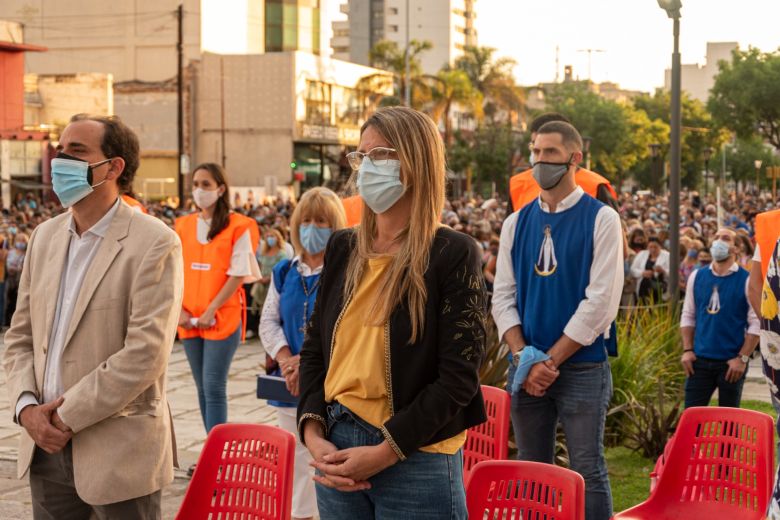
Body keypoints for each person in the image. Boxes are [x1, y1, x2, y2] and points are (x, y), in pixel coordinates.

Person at [298, 106, 487, 519]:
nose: (366, 168)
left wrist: (386, 451)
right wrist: (314, 434)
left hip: (416, 455)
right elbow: (316, 349)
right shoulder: (343, 247)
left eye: (380, 155)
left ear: (416, 163)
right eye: (361, 156)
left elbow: (457, 379)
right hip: (336, 444)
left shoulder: (452, 253)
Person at [2, 114, 183, 517]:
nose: (60, 160)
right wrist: (27, 408)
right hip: (43, 447)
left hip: (118, 452)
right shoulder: (44, 237)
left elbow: (145, 354)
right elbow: (20, 336)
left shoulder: (154, 243)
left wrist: (63, 416)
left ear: (113, 167)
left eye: (77, 151)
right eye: (60, 150)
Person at [492, 120, 623, 520]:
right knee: (532, 469)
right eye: (534, 152)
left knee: (587, 468)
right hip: (527, 365)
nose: (539, 161)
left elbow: (600, 302)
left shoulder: (601, 219)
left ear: (574, 159)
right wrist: (524, 356)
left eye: (549, 153)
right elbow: (503, 296)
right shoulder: (516, 222)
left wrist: (549, 361)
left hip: (582, 367)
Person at [259, 187, 346, 520]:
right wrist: (285, 360)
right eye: (307, 220)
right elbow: (269, 320)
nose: (313, 227)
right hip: (290, 383)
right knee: (294, 457)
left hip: (331, 381)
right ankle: (299, 515)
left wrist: (304, 361)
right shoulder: (284, 271)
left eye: (321, 221)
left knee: (327, 456)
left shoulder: (346, 269)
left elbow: (346, 327)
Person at [175, 163, 260, 447]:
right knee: (201, 387)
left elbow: (238, 273)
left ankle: (217, 455)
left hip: (221, 318)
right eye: (196, 184)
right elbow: (173, 271)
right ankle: (211, 447)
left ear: (221, 189)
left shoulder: (239, 225)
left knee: (213, 385)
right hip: (188, 318)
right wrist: (181, 311)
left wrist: (212, 308)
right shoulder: (183, 225)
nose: (199, 190)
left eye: (206, 184)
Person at [680, 228, 759, 408]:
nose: (719, 241)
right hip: (698, 361)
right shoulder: (697, 276)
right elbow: (688, 315)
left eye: (725, 238)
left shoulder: (746, 280)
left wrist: (742, 359)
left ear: (736, 249)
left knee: (729, 425)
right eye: (716, 237)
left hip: (731, 363)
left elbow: (756, 323)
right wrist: (687, 350)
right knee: (691, 419)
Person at [508, 113, 618, 213]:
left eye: (550, 150)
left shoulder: (595, 186)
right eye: (535, 147)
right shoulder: (518, 184)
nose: (541, 157)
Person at [630, 236, 669, 304]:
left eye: (655, 247)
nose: (653, 249)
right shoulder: (642, 254)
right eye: (650, 247)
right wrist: (642, 273)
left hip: (659, 289)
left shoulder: (667, 256)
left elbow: (674, 272)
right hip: (643, 289)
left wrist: (663, 271)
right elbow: (633, 269)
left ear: (660, 246)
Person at [4, 232, 27, 326]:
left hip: (19, 280)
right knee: (6, 299)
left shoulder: (26, 254)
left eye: (23, 240)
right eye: (19, 240)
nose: (21, 242)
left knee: (16, 301)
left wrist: (18, 269)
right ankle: (5, 320)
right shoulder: (10, 252)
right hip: (8, 278)